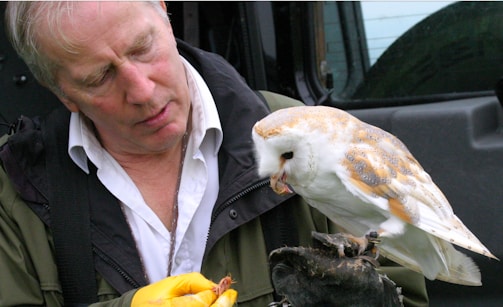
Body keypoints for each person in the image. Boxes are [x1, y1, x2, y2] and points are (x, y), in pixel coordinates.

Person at [0, 1, 429, 306]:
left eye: (141, 47)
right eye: (99, 78)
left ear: (165, 17)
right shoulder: (13, 188)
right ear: (62, 93)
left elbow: (404, 292)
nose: (143, 91)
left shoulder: (309, 138)